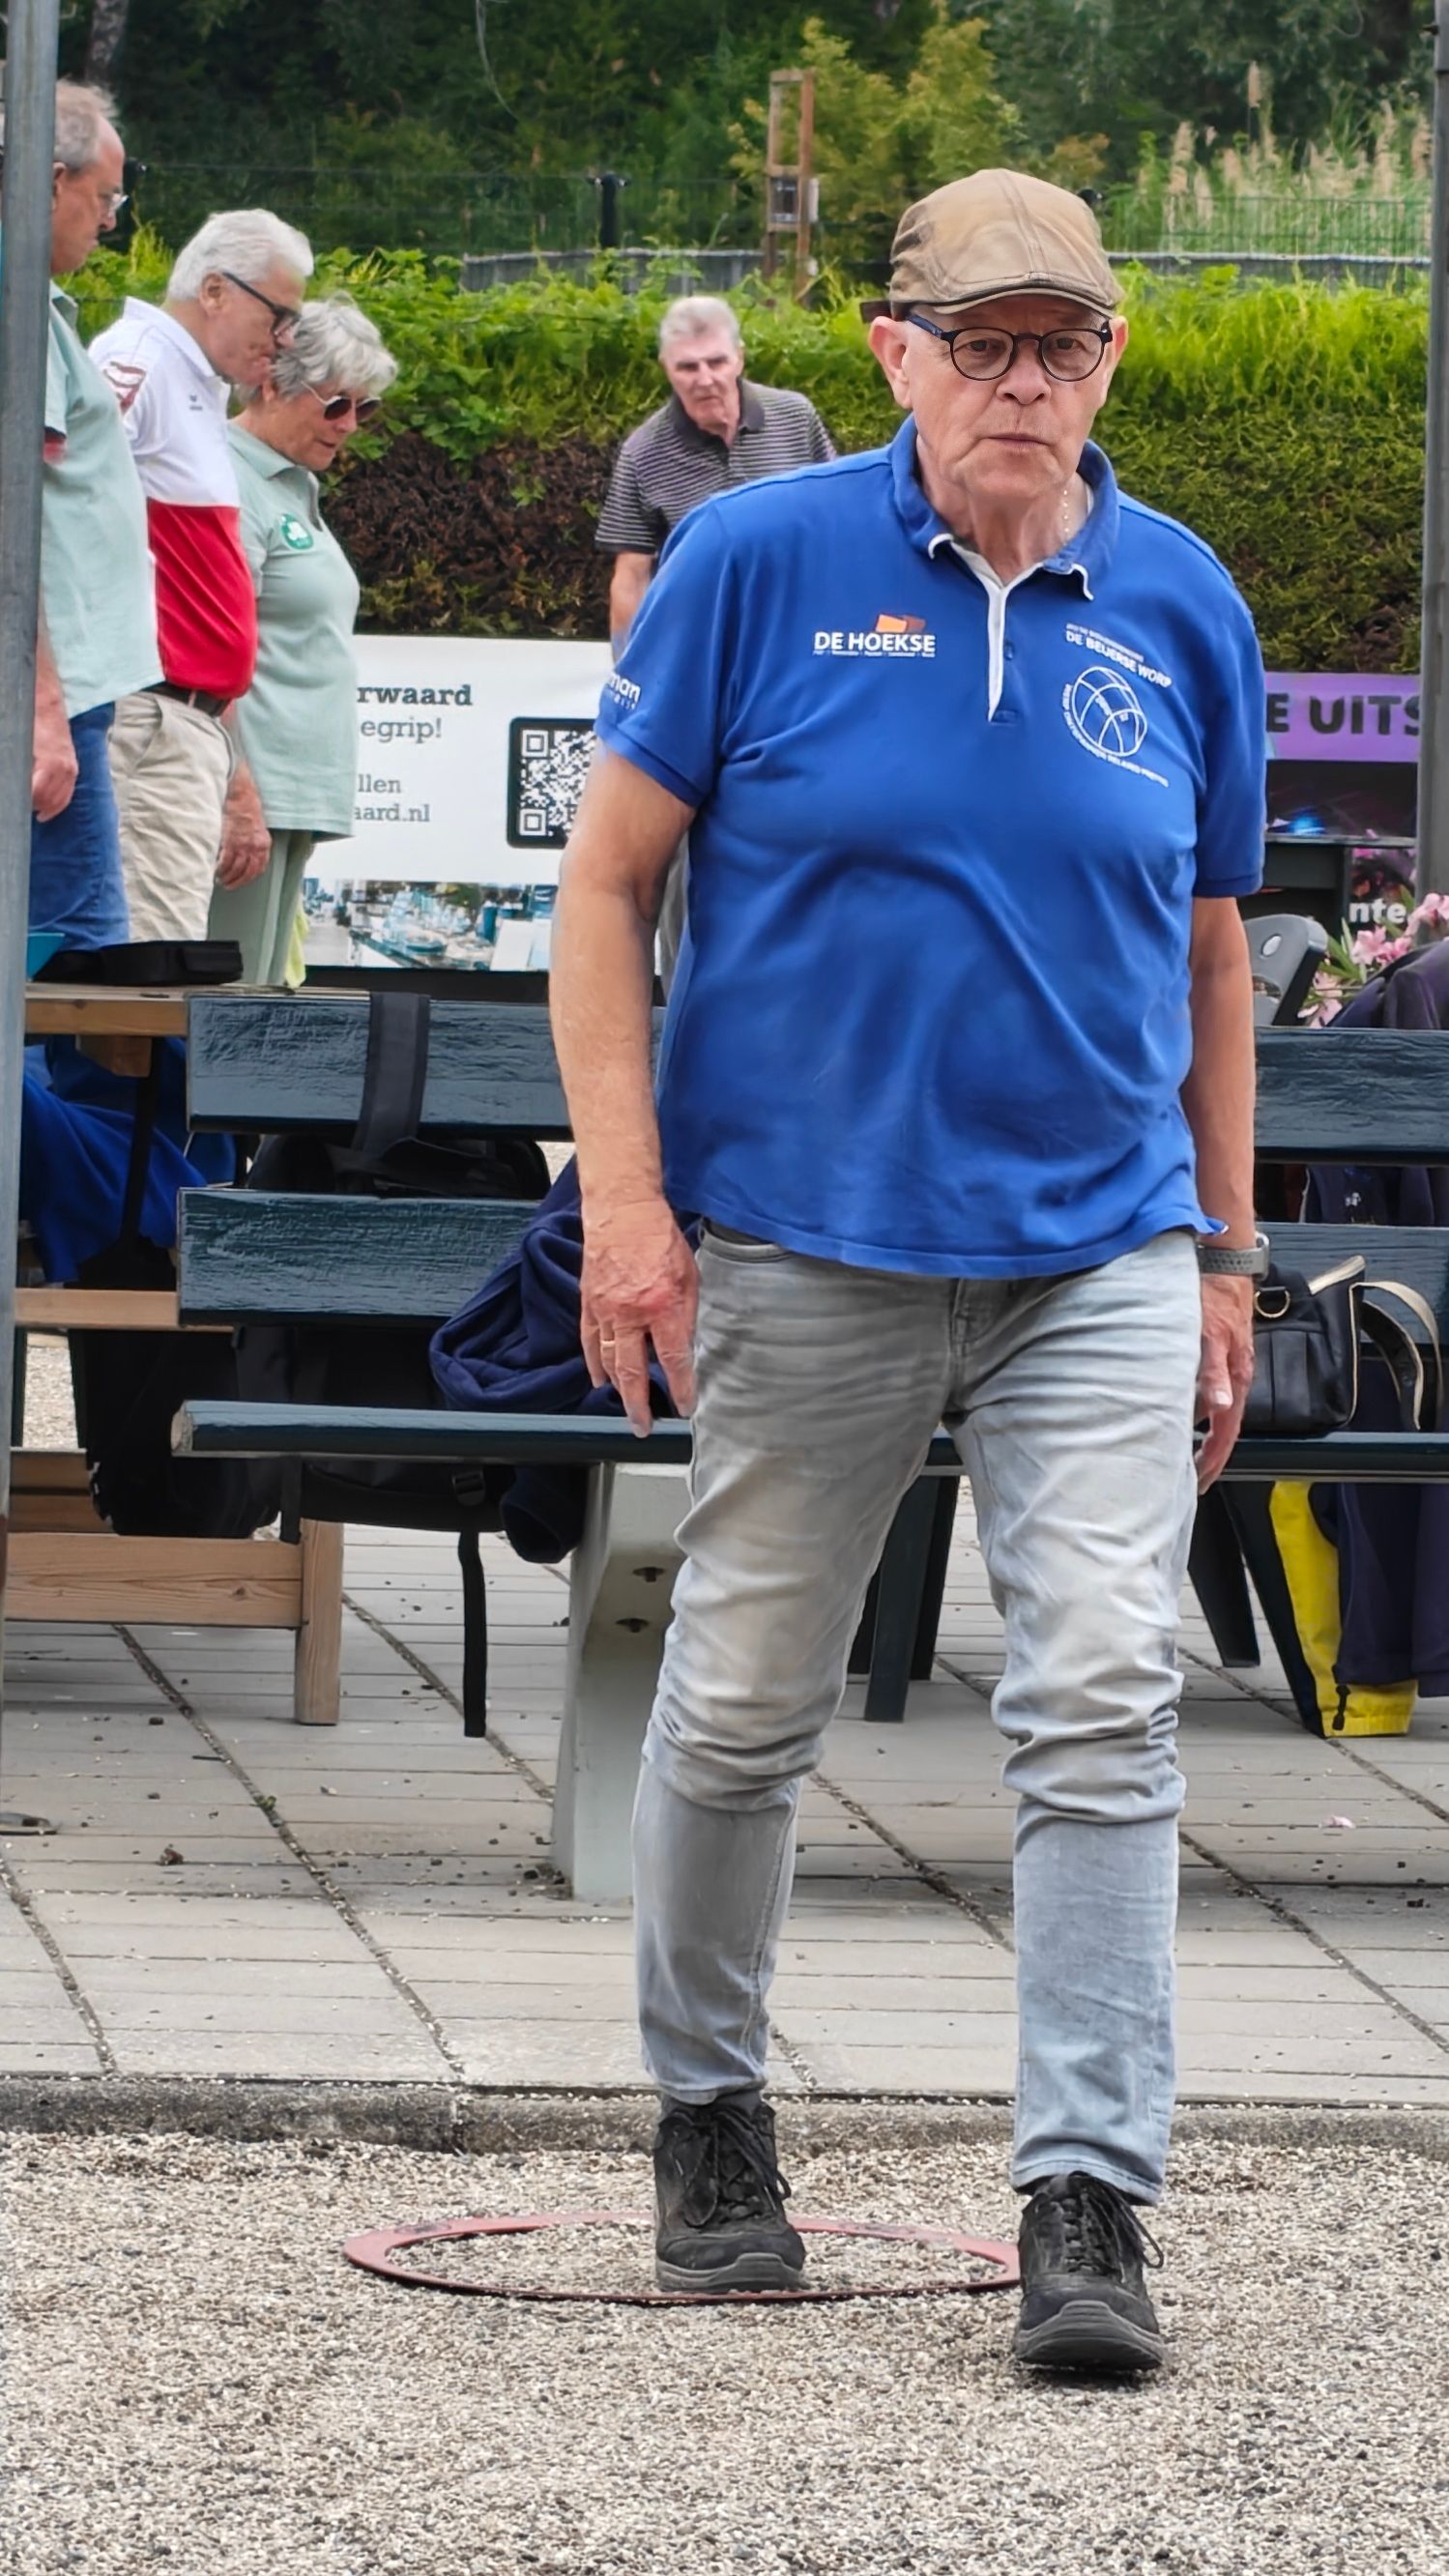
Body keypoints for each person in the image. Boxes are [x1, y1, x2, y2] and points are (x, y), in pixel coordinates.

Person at [552, 168, 1264, 2371]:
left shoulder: (1180, 598)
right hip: (805, 1234)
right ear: (894, 353)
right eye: (985, 341)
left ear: (1109, 361)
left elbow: (1213, 956)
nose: (1024, 380)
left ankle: (1087, 2199)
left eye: (1065, 342)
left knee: (1104, 1691)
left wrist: (1228, 1253)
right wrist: (624, 1203)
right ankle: (707, 2115)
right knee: (742, 1697)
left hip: (1097, 1244)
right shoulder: (755, 560)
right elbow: (604, 891)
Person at [91, 208, 313, 943]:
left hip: (176, 717)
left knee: (155, 958)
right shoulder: (142, 360)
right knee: (146, 963)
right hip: (149, 718)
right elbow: (55, 497)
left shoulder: (187, 378)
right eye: (278, 315)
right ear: (214, 290)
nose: (284, 339)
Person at [1, 79, 159, 951]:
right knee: (79, 962)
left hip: (57, 687)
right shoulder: (17, 305)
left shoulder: (34, 305)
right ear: (51, 180)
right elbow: (11, 510)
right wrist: (43, 704)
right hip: (51, 693)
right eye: (105, 198)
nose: (110, 222)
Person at [211, 297, 396, 983]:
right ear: (271, 382)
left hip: (286, 798)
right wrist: (238, 790)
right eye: (336, 403)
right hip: (251, 790)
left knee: (257, 1003)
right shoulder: (230, 478)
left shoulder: (291, 484)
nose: (349, 424)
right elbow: (210, 650)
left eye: (365, 408)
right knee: (226, 1005)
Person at [596, 295, 836, 655]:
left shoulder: (795, 418)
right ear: (665, 367)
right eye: (687, 367)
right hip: (700, 646)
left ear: (739, 358)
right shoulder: (642, 452)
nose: (705, 379)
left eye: (717, 362)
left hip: (798, 633)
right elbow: (631, 578)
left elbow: (837, 518)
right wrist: (627, 668)